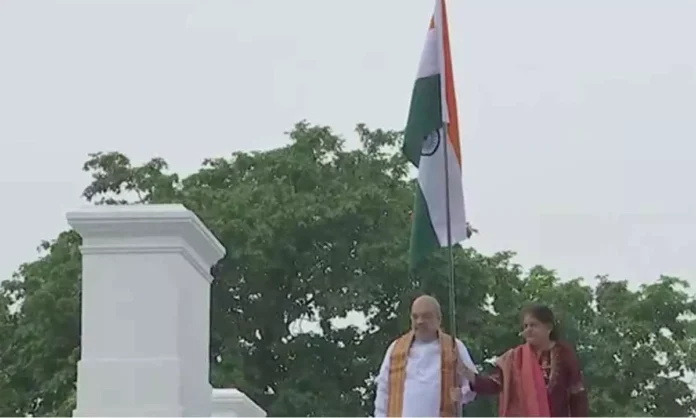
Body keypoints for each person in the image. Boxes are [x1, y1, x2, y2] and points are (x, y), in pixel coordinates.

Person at [460, 304, 589, 417]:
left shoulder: (564, 353)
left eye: (533, 325)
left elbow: (577, 394)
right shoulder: (515, 358)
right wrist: (466, 372)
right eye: (525, 326)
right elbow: (494, 384)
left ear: (549, 327)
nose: (527, 330)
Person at [374, 295, 477, 417]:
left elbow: (474, 385)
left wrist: (462, 395)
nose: (420, 321)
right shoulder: (395, 349)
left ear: (438, 319)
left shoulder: (454, 347)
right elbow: (383, 392)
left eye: (426, 316)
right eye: (415, 317)